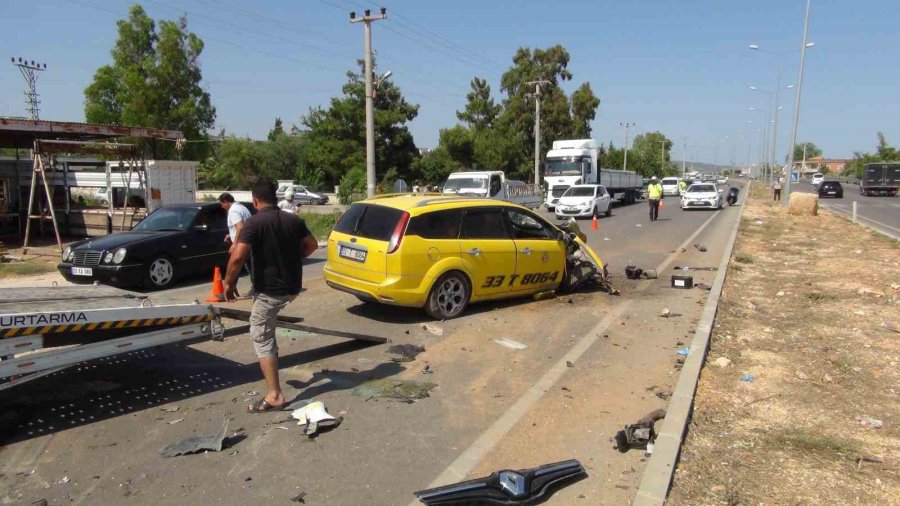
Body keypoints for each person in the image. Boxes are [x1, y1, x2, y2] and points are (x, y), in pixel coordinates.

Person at [223, 181, 318, 413]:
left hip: (270, 291)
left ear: (255, 201)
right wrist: (291, 260)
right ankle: (273, 365)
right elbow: (312, 245)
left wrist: (228, 283)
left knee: (260, 334)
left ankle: (274, 396)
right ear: (275, 199)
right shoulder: (293, 220)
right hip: (291, 288)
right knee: (267, 329)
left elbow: (237, 257)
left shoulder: (253, 223)